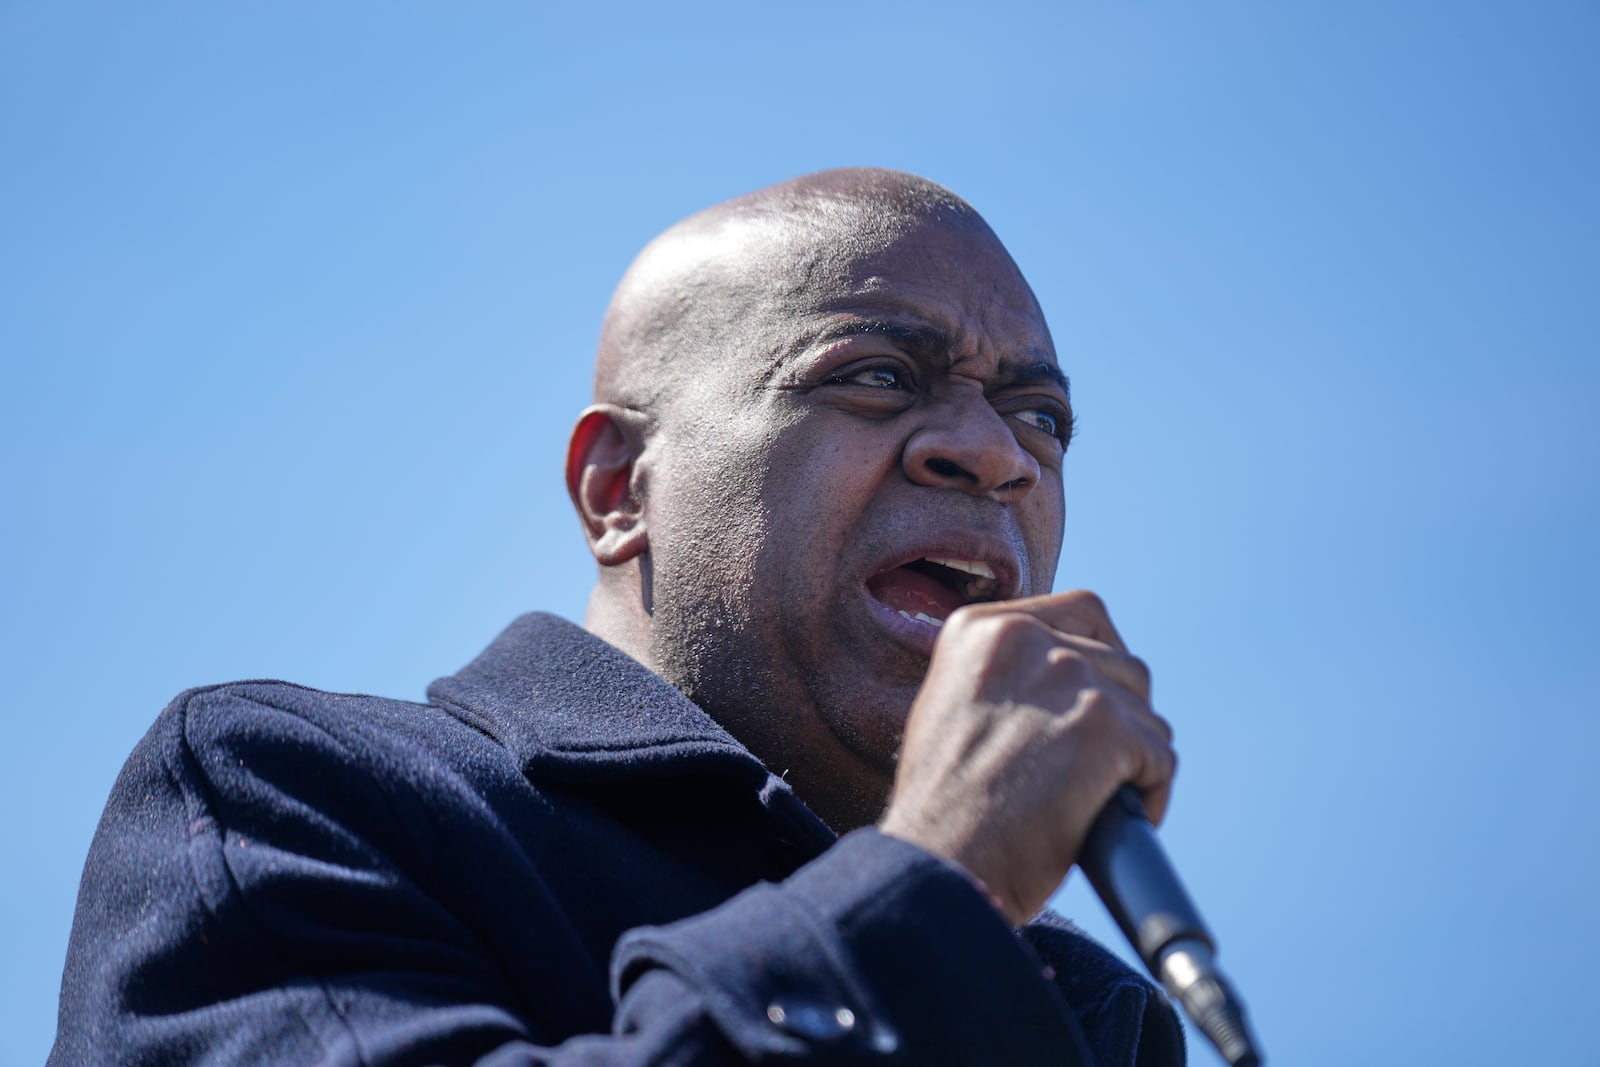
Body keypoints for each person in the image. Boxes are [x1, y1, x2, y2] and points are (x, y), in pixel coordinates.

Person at [51, 168, 1185, 1065]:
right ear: (618, 487)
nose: (994, 453)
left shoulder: (1093, 1010)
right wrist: (939, 887)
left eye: (1039, 414)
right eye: (876, 375)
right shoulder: (282, 794)